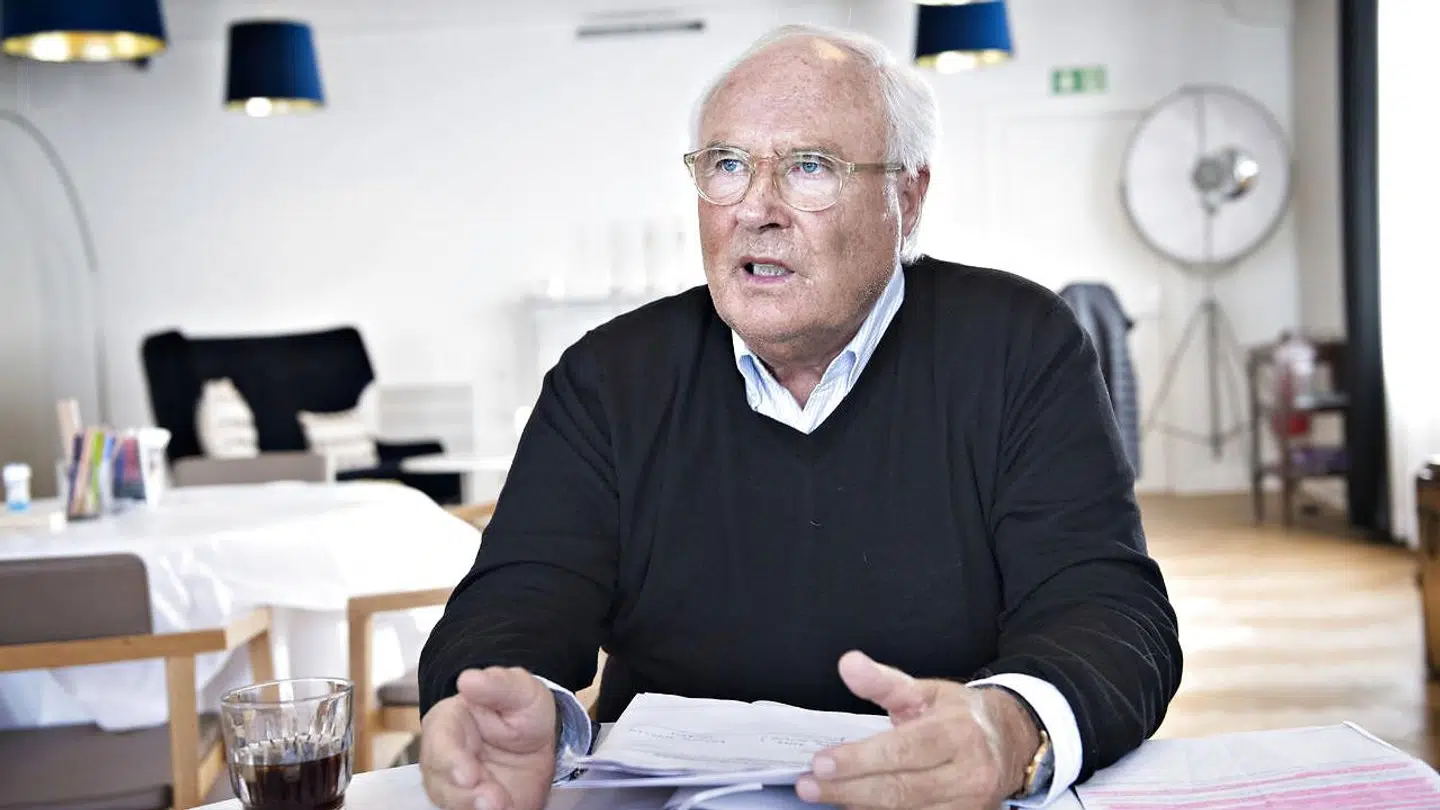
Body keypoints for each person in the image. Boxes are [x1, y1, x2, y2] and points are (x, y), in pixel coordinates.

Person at [417, 23, 1181, 810]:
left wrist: (1013, 726)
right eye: (727, 165)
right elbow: (514, 599)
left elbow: (1106, 608)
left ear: (907, 196)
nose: (756, 209)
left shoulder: (1019, 345)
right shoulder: (607, 378)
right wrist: (493, 710)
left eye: (809, 166)